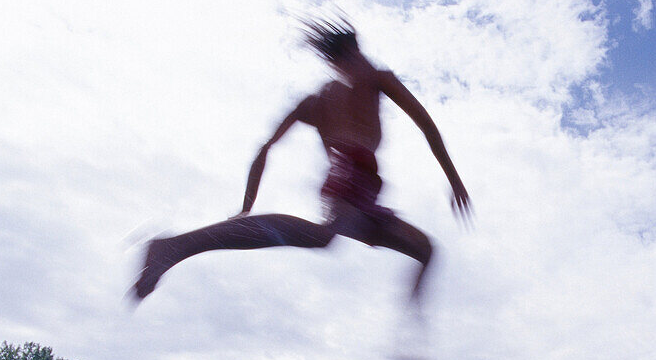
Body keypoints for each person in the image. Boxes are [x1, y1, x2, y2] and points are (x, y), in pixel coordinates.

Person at [132, 18, 471, 323]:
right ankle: (172, 247)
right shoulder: (375, 79)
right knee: (323, 237)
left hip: (362, 190)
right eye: (354, 58)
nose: (359, 66)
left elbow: (265, 149)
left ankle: (409, 333)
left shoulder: (316, 102)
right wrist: (454, 180)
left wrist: (247, 206)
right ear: (350, 53)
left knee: (424, 249)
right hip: (351, 181)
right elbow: (427, 126)